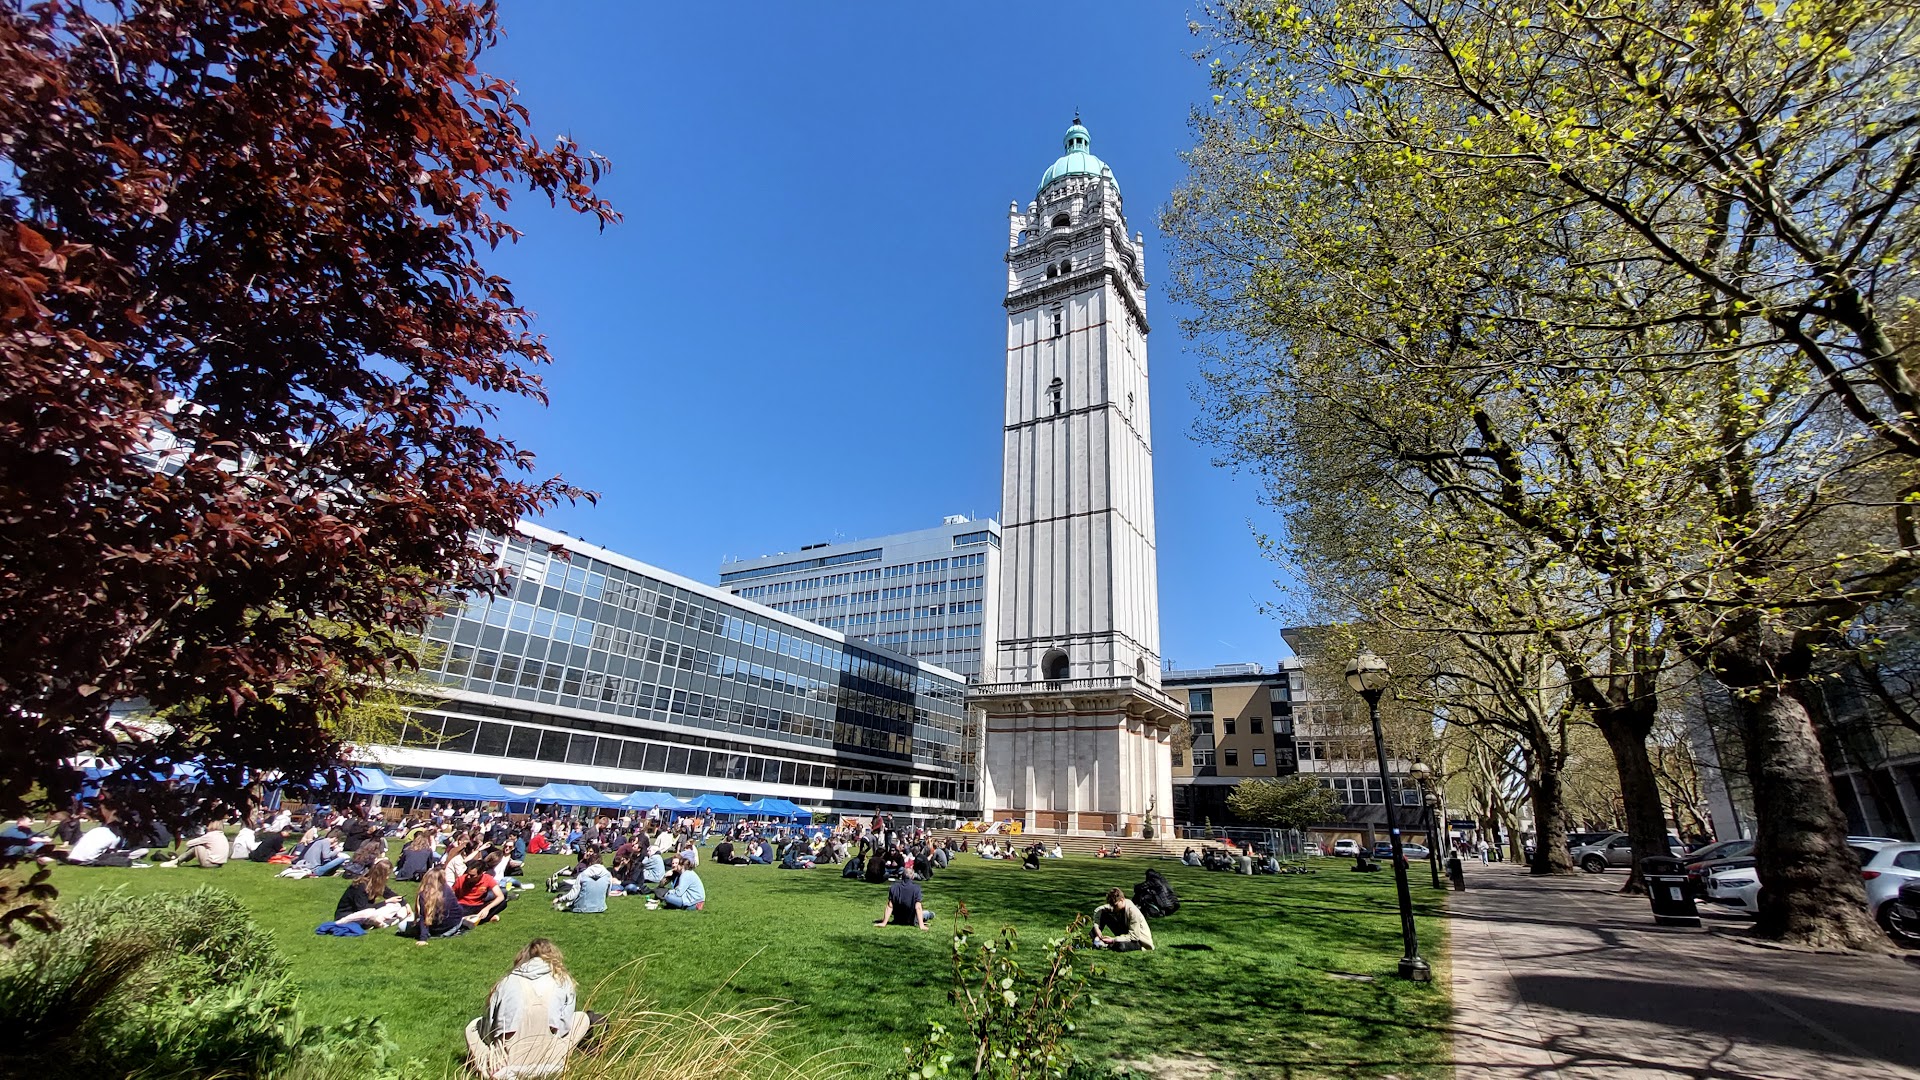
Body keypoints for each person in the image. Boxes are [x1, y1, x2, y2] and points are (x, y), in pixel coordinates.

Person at [465, 939, 593, 1080]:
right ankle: (557, 1062)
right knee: (581, 1018)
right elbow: (564, 1027)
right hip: (549, 1060)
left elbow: (490, 1029)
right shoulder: (563, 981)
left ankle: (493, 1068)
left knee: (473, 1027)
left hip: (508, 1061)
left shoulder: (507, 982)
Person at [333, 859, 408, 927]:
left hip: (366, 913)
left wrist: (406, 905)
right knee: (369, 912)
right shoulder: (360, 886)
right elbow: (362, 908)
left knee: (396, 905)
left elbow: (393, 895)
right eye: (387, 875)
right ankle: (378, 922)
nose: (387, 878)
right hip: (349, 915)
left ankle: (376, 922)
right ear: (380, 875)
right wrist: (386, 902)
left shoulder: (378, 884)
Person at [407, 866, 468, 942]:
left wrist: (423, 938)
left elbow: (424, 917)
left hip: (437, 929)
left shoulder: (424, 895)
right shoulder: (448, 890)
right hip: (455, 925)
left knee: (402, 926)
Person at [1091, 887, 1155, 952]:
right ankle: (1089, 940)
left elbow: (1134, 936)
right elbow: (1099, 909)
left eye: (1115, 905)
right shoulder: (1117, 905)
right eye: (1112, 905)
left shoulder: (1133, 912)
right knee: (1104, 913)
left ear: (1122, 900)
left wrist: (1113, 940)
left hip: (1138, 941)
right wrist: (1097, 928)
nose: (1113, 908)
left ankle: (1105, 944)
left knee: (1121, 946)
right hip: (1126, 933)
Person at [455, 856, 510, 925]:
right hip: (463, 905)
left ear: (481, 873)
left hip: (478, 906)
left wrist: (487, 908)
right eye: (468, 874)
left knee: (503, 903)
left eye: (472, 875)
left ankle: (472, 920)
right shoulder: (461, 879)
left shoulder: (487, 878)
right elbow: (450, 895)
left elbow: (500, 896)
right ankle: (480, 919)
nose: (468, 877)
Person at [161, 822, 230, 868]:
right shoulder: (222, 836)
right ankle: (179, 861)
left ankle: (176, 861)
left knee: (197, 846)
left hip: (209, 864)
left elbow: (189, 844)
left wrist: (200, 841)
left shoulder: (210, 836)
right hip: (219, 864)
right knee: (200, 846)